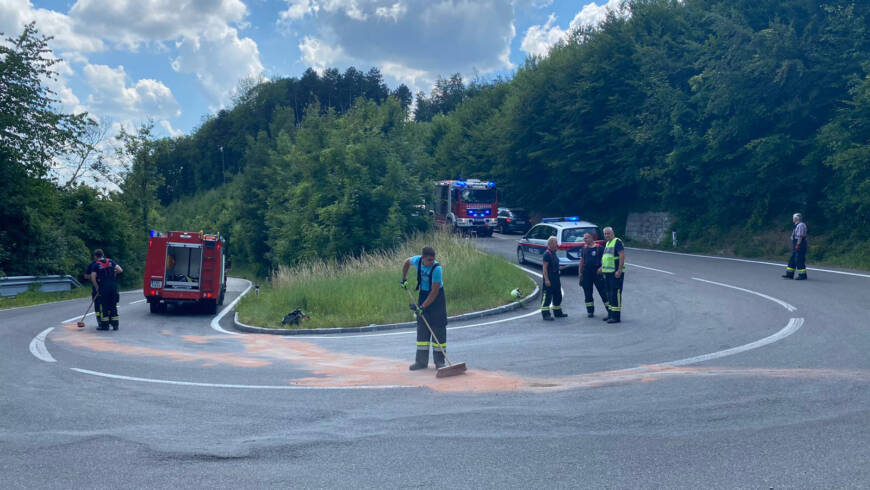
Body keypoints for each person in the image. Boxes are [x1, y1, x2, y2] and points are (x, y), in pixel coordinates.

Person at [401, 247, 448, 370]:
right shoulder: (416, 260)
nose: (431, 262)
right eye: (429, 260)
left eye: (433, 259)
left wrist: (422, 307)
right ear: (422, 258)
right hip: (423, 294)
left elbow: (435, 291)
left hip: (437, 299)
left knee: (438, 328)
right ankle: (421, 362)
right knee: (422, 328)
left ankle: (440, 362)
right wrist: (403, 279)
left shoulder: (437, 269)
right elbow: (406, 262)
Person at [85, 249, 123, 331]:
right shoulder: (111, 261)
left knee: (104, 306)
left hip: (103, 287)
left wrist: (97, 287)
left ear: (95, 256)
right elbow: (120, 270)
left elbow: (93, 278)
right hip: (113, 287)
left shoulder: (96, 265)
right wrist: (114, 273)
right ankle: (115, 325)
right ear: (103, 254)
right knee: (113, 305)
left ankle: (105, 326)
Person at [599, 227, 625, 324]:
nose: (606, 235)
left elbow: (622, 255)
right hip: (608, 273)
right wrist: (602, 268)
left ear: (612, 233)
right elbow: (607, 258)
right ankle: (610, 314)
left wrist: (619, 270)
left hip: (615, 273)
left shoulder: (617, 241)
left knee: (615, 294)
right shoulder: (607, 243)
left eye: (608, 233)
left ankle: (616, 317)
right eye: (605, 234)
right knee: (609, 294)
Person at [578, 232, 608, 318]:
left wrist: (602, 267)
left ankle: (610, 310)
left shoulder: (600, 248)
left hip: (597, 273)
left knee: (603, 292)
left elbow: (606, 259)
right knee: (587, 293)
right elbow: (582, 261)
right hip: (586, 273)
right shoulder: (584, 248)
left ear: (591, 238)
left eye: (586, 238)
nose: (585, 240)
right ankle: (590, 311)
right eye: (584, 238)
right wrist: (580, 272)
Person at [541, 236, 567, 321]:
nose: (557, 244)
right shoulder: (547, 254)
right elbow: (544, 268)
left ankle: (557, 312)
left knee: (558, 295)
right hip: (549, 278)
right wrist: (547, 280)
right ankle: (545, 314)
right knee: (547, 297)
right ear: (551, 244)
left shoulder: (554, 252)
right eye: (556, 243)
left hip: (556, 278)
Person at [783, 213, 808, 280]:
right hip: (796, 244)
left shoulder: (801, 225)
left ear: (796, 218)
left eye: (793, 218)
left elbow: (800, 236)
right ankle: (789, 274)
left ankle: (802, 276)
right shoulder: (796, 225)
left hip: (800, 244)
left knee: (799, 260)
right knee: (792, 259)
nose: (792, 219)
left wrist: (797, 245)